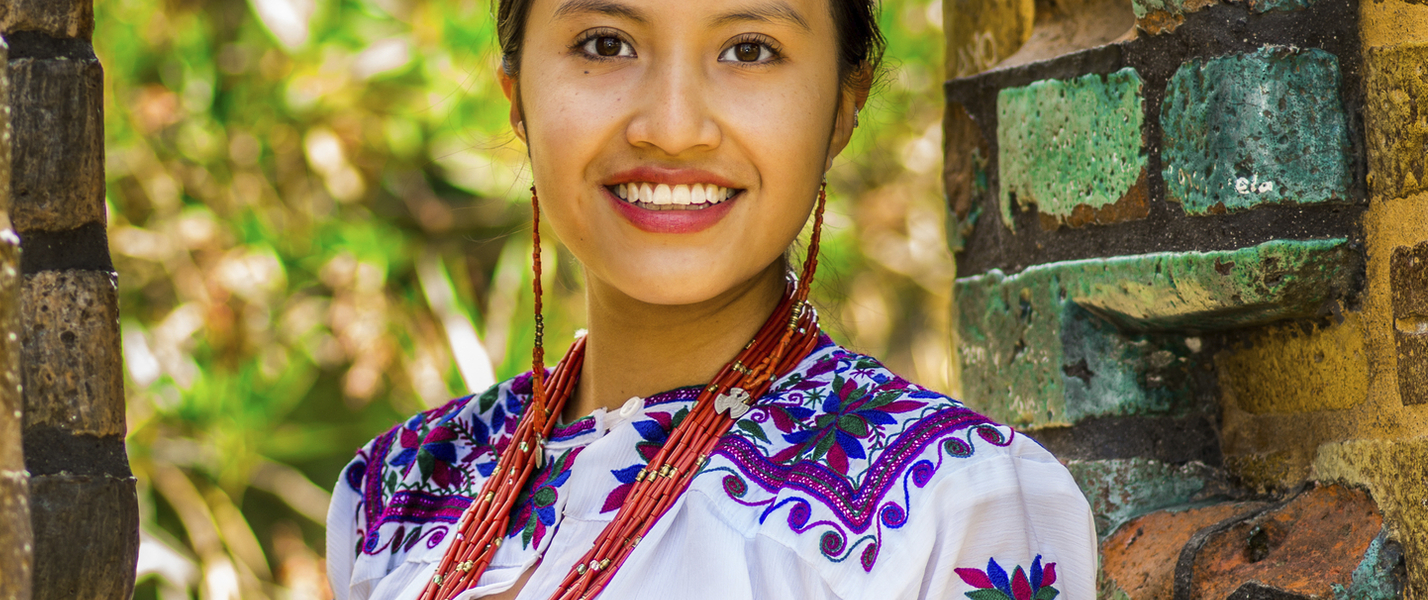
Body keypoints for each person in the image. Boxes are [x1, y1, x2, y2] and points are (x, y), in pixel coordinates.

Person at [324, 0, 1098, 595]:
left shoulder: (958, 502)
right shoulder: (396, 490)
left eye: (749, 50)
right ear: (517, 93)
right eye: (605, 43)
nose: (672, 127)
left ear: (842, 105)